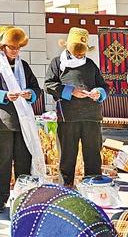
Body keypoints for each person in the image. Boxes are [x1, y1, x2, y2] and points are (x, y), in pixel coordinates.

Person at [0, 26, 43, 213]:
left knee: (23, 161)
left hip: (23, 122)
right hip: (2, 122)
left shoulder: (24, 67)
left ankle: (23, 198)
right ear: (3, 48)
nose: (14, 51)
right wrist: (4, 95)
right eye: (11, 47)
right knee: (3, 162)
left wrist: (30, 93)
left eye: (17, 47)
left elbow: (36, 88)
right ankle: (1, 199)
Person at [45, 27, 108, 188]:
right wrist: (70, 91)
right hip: (68, 117)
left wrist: (98, 92)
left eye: (82, 52)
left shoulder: (90, 64)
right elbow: (48, 85)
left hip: (91, 117)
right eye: (77, 52)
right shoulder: (57, 63)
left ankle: (93, 187)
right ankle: (66, 188)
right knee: (67, 157)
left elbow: (104, 86)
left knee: (93, 156)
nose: (80, 55)